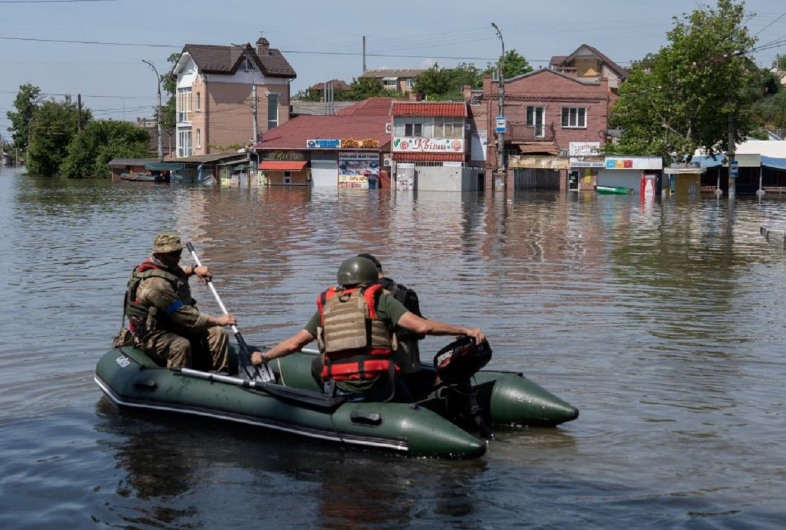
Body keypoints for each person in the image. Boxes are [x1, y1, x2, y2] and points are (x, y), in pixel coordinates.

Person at [250, 256, 485, 403]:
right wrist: (464, 330)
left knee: (317, 365)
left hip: (342, 389)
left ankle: (330, 405)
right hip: (378, 386)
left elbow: (295, 344)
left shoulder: (328, 303)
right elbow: (422, 326)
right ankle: (411, 410)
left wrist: (264, 356)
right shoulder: (380, 299)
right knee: (410, 396)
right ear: (372, 278)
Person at [123, 232, 235, 372]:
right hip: (152, 335)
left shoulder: (166, 266)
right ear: (159, 254)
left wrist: (194, 270)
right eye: (173, 254)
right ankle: (179, 384)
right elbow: (184, 315)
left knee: (219, 333)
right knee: (181, 345)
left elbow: (176, 272)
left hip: (175, 326)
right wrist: (218, 320)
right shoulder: (156, 286)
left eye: (179, 252)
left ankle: (220, 376)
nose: (178, 256)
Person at [356, 253, 429, 398]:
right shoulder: (404, 291)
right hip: (410, 359)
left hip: (383, 359)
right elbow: (421, 329)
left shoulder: (369, 295)